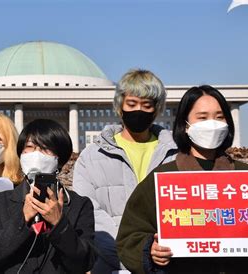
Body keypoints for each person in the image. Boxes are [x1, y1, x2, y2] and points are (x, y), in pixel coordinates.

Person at [116, 85, 248, 274]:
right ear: (185, 124)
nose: (212, 124)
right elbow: (129, 236)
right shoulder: (163, 179)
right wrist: (150, 249)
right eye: (202, 117)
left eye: (219, 117)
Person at [73, 69, 177, 273]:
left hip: (166, 263)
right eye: (132, 104)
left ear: (156, 109)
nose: (138, 110)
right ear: (120, 106)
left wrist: (158, 251)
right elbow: (90, 212)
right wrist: (134, 252)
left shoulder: (175, 153)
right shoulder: (91, 156)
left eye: (147, 105)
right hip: (108, 263)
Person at [0, 119, 96, 273]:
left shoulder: (79, 205)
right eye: (30, 148)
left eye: (45, 149)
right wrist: (22, 218)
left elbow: (84, 262)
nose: (36, 154)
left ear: (59, 159)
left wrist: (60, 225)